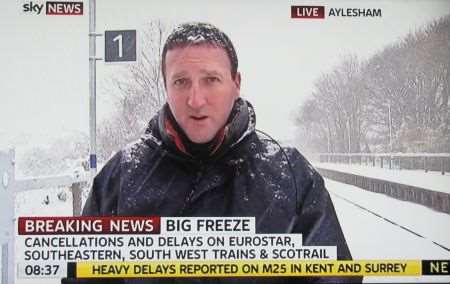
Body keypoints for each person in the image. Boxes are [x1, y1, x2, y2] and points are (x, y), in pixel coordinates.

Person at [64, 22, 360, 284]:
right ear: (166, 87)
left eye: (211, 79)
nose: (195, 100)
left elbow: (334, 274)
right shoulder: (121, 175)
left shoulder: (290, 173)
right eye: (181, 82)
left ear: (236, 84)